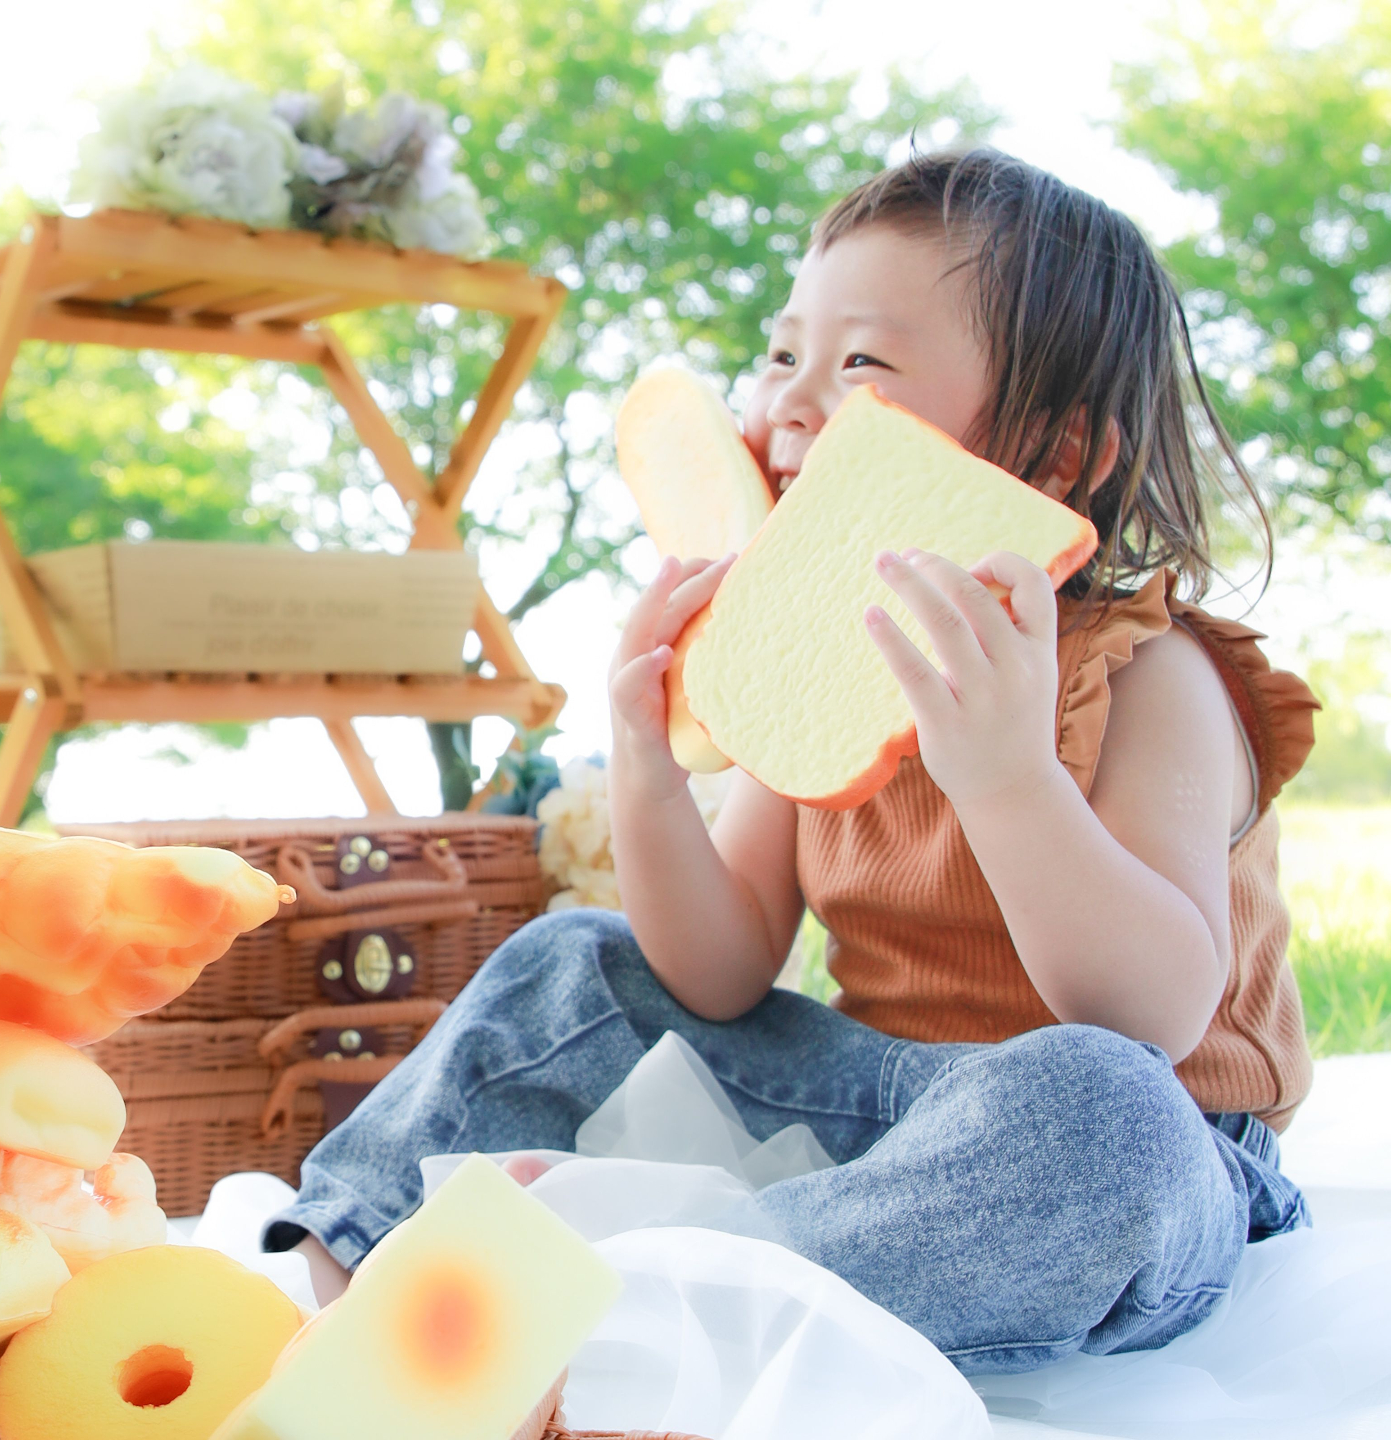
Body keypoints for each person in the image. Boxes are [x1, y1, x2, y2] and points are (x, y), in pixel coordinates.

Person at [259, 147, 1319, 1373]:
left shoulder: (1151, 677)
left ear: (1057, 453)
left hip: (1138, 1147)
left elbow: (1151, 1017)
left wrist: (1008, 779)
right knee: (571, 963)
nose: (788, 404)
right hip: (869, 1113)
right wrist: (650, 770)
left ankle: (671, 1269)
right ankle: (345, 1270)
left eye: (861, 364)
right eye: (780, 356)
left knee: (1106, 1118)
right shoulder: (814, 654)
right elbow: (715, 975)